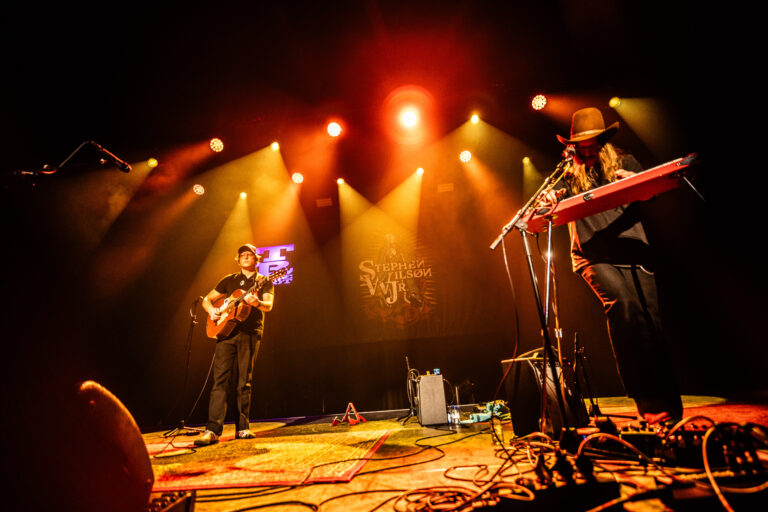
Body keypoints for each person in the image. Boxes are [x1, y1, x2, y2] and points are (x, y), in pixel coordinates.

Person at [544, 107, 682, 425]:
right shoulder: (567, 174)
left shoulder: (625, 161)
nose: (588, 150)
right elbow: (549, 200)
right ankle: (645, 400)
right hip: (593, 256)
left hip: (634, 252)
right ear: (574, 147)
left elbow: (651, 193)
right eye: (582, 146)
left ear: (603, 141)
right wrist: (549, 198)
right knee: (624, 308)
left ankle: (669, 402)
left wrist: (635, 183)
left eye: (593, 144)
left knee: (650, 323)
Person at [195, 244, 275, 446]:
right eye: (242, 255)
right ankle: (212, 430)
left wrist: (255, 303)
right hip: (225, 333)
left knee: (244, 381)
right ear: (238, 260)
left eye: (250, 254)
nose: (246, 257)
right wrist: (212, 311)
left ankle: (243, 428)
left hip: (250, 333)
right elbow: (207, 299)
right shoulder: (229, 280)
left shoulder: (264, 281)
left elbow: (268, 305)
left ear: (256, 259)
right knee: (220, 381)